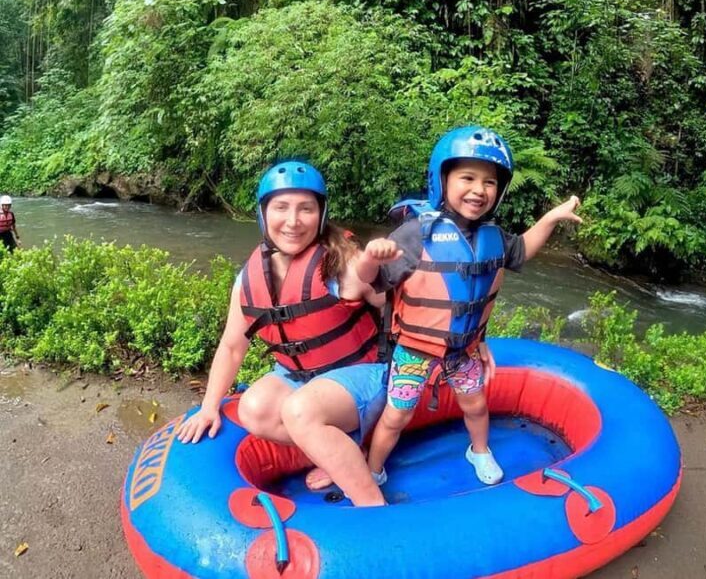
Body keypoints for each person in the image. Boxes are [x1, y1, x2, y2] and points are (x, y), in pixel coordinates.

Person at [356, 126, 582, 488]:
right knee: (396, 415)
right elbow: (372, 281)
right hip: (415, 350)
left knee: (475, 406)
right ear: (441, 179)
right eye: (467, 178)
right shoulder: (416, 234)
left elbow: (522, 250)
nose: (479, 190)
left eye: (490, 182)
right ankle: (372, 469)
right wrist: (370, 257)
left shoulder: (493, 236)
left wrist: (551, 218)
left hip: (463, 351)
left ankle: (478, 450)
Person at [176, 161, 387, 507]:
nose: (293, 221)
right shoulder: (249, 279)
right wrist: (209, 407)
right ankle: (342, 454)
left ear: (320, 214)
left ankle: (373, 506)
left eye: (306, 208)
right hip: (302, 376)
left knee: (300, 410)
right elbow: (232, 346)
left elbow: (401, 309)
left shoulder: (346, 262)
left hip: (365, 374)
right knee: (254, 409)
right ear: (263, 214)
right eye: (281, 208)